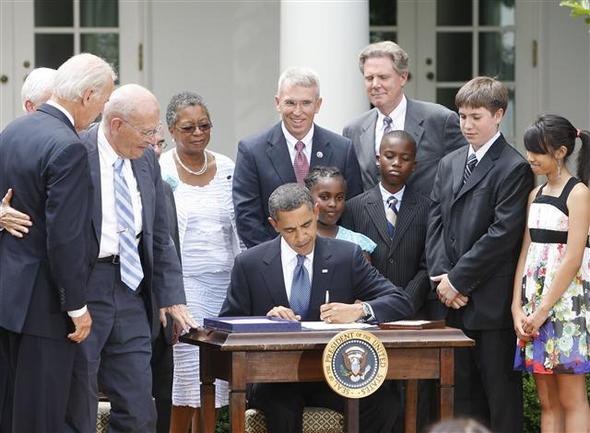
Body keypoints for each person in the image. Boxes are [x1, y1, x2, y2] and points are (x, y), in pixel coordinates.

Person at [220, 183, 414, 433]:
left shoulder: (347, 256)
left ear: (316, 212)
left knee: (384, 403)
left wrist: (360, 310)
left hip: (333, 374)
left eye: (306, 225)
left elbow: (400, 301)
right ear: (274, 224)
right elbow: (227, 325)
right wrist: (265, 320)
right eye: (290, 230)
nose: (301, 237)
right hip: (274, 377)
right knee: (283, 408)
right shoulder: (250, 264)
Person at [64, 84, 196, 433]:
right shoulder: (74, 152)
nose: (155, 140)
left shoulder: (146, 161)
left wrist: (171, 295)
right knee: (78, 405)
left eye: (156, 131)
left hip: (132, 291)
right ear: (117, 124)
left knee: (140, 410)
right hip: (85, 289)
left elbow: (159, 235)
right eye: (147, 131)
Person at [0, 53, 115, 433]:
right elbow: (64, 237)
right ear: (86, 96)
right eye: (102, 101)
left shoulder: (13, 130)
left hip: (8, 300)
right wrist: (77, 306)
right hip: (46, 305)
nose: (100, 112)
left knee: (10, 411)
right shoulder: (68, 146)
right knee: (42, 416)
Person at [425, 76, 534, 433]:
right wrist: (443, 279)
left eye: (476, 117)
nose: (467, 125)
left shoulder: (513, 167)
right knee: (458, 396)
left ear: (499, 115)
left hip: (489, 303)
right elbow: (436, 221)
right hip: (450, 299)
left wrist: (459, 279)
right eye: (462, 116)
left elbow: (502, 235)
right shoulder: (450, 162)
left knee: (499, 399)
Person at [160, 91, 243, 433]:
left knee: (215, 378)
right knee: (186, 376)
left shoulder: (226, 166)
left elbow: (238, 225)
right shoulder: (161, 168)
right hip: (184, 285)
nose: (197, 133)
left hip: (225, 283)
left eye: (204, 126)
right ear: (170, 129)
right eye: (188, 127)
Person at [341, 130, 432, 432]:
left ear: (414, 165)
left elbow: (427, 263)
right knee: (374, 394)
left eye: (404, 159)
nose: (396, 163)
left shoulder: (428, 206)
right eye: (389, 156)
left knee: (413, 396)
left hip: (413, 313)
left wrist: (406, 301)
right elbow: (351, 263)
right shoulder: (354, 207)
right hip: (369, 318)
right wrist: (373, 306)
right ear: (377, 159)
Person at [512, 115, 590, 432]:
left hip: (565, 309)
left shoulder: (579, 193)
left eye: (538, 151)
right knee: (547, 401)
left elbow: (573, 258)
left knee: (571, 398)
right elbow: (526, 253)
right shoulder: (535, 195)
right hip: (533, 310)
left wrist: (543, 310)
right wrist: (517, 307)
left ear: (560, 152)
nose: (531, 157)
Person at [233, 66, 363, 248]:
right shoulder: (252, 151)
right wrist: (278, 259)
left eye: (306, 103)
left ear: (318, 105)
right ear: (278, 103)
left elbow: (353, 211)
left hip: (331, 259)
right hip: (273, 262)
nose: (297, 111)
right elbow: (247, 217)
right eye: (290, 103)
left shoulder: (343, 148)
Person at [343, 40, 467, 195]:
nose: (375, 84)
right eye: (369, 78)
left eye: (383, 77)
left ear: (403, 77)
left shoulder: (440, 120)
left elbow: (463, 175)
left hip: (427, 218)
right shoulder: (353, 130)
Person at [150, 132, 179, 433]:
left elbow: (172, 252)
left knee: (163, 399)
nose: (156, 151)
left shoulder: (164, 189)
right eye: (149, 143)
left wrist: (172, 300)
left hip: (162, 314)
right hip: (122, 309)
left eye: (160, 144)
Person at [303, 166, 376, 260]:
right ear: (308, 197)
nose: (333, 204)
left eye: (339, 198)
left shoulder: (356, 243)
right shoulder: (299, 239)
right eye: (324, 197)